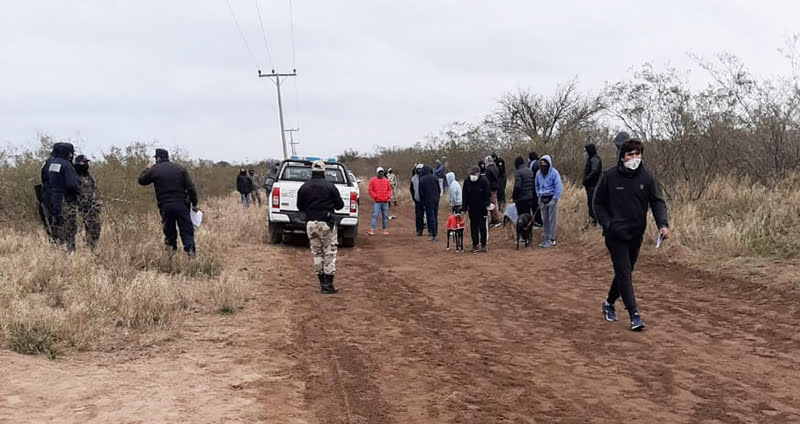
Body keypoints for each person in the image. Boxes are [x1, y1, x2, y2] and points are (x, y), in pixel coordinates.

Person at [594, 138, 669, 331]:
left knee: (624, 272)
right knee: (624, 273)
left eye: (637, 154)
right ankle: (634, 314)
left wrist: (663, 224)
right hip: (615, 235)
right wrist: (608, 224)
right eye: (630, 154)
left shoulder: (647, 177)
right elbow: (598, 203)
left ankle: (609, 304)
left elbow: (657, 202)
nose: (634, 158)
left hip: (636, 234)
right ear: (622, 157)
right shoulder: (609, 176)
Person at [138, 148, 199, 257]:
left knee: (169, 232)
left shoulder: (155, 169)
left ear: (158, 158)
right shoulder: (180, 169)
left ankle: (171, 256)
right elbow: (191, 188)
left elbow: (141, 180)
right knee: (186, 231)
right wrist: (194, 203)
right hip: (182, 205)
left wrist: (147, 169)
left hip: (166, 207)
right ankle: (190, 254)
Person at [296, 160, 345, 294]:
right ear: (324, 171)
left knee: (316, 253)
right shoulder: (330, 187)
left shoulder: (304, 187)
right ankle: (328, 285)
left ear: (312, 172)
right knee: (329, 252)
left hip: (311, 223)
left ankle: (322, 283)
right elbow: (340, 205)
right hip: (326, 223)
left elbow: (299, 206)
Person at [42, 142, 79, 251]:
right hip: (65, 202)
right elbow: (72, 184)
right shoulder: (66, 165)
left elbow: (44, 180)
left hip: (49, 202)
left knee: (54, 227)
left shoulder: (47, 164)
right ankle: (69, 253)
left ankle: (56, 250)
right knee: (69, 229)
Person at [74, 155, 101, 250]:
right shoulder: (74, 176)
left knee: (95, 228)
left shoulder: (88, 175)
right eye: (83, 162)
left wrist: (97, 202)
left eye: (86, 162)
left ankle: (92, 248)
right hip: (79, 208)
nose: (85, 164)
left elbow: (94, 189)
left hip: (92, 207)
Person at [535, 155, 562, 248]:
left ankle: (552, 239)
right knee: (544, 220)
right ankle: (545, 238)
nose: (543, 165)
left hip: (551, 199)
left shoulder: (554, 173)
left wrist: (555, 198)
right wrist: (539, 195)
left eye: (545, 163)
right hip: (542, 199)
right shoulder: (538, 173)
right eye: (541, 164)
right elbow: (536, 185)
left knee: (552, 220)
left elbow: (558, 186)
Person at [462, 166, 490, 252]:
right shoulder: (467, 181)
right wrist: (464, 208)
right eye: (471, 174)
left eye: (474, 174)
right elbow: (465, 195)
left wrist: (487, 206)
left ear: (478, 173)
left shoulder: (484, 181)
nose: (472, 175)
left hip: (482, 208)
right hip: (472, 208)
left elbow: (487, 194)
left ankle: (483, 244)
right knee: (473, 226)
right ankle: (475, 244)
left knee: (482, 227)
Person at [582, 143, 602, 227]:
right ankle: (592, 222)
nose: (584, 153)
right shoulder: (591, 159)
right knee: (590, 204)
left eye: (585, 151)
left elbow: (594, 171)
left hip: (594, 187)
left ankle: (594, 223)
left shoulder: (594, 159)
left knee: (593, 205)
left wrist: (586, 180)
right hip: (590, 186)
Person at [418, 165, 440, 242]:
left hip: (427, 201)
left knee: (430, 218)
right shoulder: (435, 178)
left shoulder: (422, 180)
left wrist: (422, 203)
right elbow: (439, 190)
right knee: (435, 216)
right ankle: (434, 232)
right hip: (436, 200)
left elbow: (421, 193)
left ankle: (433, 234)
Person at [368, 166, 392, 235]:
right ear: (377, 173)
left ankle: (385, 230)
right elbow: (370, 190)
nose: (381, 173)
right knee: (375, 215)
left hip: (385, 201)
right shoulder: (373, 180)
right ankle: (372, 229)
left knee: (384, 216)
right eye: (379, 172)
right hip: (377, 201)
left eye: (382, 172)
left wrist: (388, 196)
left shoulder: (386, 181)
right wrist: (375, 196)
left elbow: (389, 190)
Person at [485, 156, 502, 227]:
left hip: (491, 188)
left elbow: (487, 181)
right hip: (496, 187)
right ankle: (494, 219)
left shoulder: (488, 170)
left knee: (492, 204)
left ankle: (496, 220)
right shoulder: (495, 168)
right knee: (494, 202)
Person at [410, 163, 425, 236]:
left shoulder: (425, 178)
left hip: (425, 200)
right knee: (418, 216)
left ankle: (430, 230)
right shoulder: (413, 178)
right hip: (417, 200)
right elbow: (411, 189)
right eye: (417, 169)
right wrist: (414, 198)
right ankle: (419, 230)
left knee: (426, 215)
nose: (419, 170)